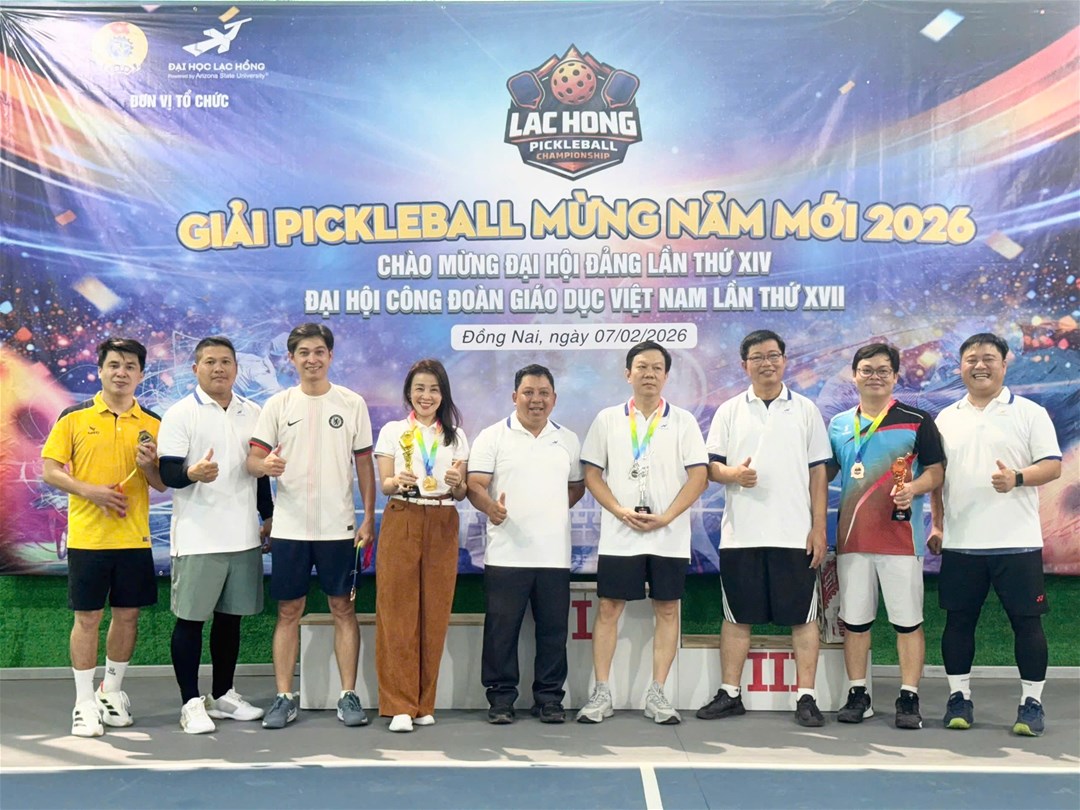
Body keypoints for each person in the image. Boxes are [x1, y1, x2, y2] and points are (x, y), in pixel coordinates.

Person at [697, 330, 831, 727]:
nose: (766, 363)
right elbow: (711, 467)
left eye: (773, 355)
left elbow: (818, 472)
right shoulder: (729, 410)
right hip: (741, 535)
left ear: (784, 361)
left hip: (794, 534)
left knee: (803, 618)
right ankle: (730, 693)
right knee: (737, 616)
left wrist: (818, 527)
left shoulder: (805, 409)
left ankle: (806, 697)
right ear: (745, 365)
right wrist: (734, 474)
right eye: (757, 357)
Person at [246, 323, 376, 729]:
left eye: (319, 351)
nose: (312, 359)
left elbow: (364, 465)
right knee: (289, 611)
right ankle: (284, 697)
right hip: (290, 529)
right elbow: (253, 460)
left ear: (330, 356)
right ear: (291, 359)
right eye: (303, 352)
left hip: (339, 528)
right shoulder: (278, 405)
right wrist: (264, 465)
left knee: (343, 608)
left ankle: (348, 695)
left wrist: (368, 517)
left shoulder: (352, 403)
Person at [930, 333, 1061, 736]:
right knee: (958, 623)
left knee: (1027, 624)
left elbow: (1052, 465)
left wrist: (1017, 477)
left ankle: (1031, 703)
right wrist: (938, 524)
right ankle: (959, 698)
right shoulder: (945, 417)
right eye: (971, 359)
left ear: (1005, 364)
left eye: (988, 358)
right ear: (960, 367)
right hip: (961, 543)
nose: (979, 365)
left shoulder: (1030, 413)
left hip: (1017, 542)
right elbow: (937, 477)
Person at [576, 341, 708, 725]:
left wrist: (668, 516)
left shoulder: (683, 421)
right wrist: (618, 510)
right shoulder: (607, 419)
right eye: (641, 367)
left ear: (666, 376)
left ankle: (658, 693)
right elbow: (591, 474)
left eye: (656, 368)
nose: (649, 374)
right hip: (621, 534)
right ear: (627, 373)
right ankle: (602, 693)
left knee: (667, 609)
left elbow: (699, 476)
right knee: (609, 607)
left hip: (669, 534)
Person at [41, 337, 166, 737]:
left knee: (128, 616)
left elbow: (162, 483)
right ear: (100, 370)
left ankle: (110, 692)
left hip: (134, 539)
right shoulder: (74, 417)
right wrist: (89, 491)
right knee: (88, 618)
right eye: (114, 365)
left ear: (141, 375)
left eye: (130, 366)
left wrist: (150, 468)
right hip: (88, 539)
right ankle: (83, 702)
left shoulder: (153, 423)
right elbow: (50, 469)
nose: (121, 372)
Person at [157, 336, 273, 734]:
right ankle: (190, 702)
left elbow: (258, 473)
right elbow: (168, 472)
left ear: (237, 368)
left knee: (230, 621)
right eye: (210, 361)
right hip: (197, 538)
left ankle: (222, 694)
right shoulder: (180, 414)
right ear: (195, 369)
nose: (218, 368)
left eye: (226, 361)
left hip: (243, 536)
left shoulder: (253, 412)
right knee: (190, 622)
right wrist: (192, 473)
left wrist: (268, 515)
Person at [827, 343, 944, 729]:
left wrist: (914, 487)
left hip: (901, 539)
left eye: (882, 370)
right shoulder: (839, 425)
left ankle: (908, 698)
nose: (874, 376)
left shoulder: (917, 420)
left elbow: (936, 471)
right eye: (866, 369)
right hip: (853, 540)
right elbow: (823, 474)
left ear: (895, 376)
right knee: (855, 623)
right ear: (854, 375)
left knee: (907, 623)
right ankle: (858, 694)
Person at [468, 364, 585, 725]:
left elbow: (577, 486)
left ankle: (549, 699)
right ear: (514, 396)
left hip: (554, 555)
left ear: (554, 399)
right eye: (529, 392)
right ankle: (501, 699)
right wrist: (491, 508)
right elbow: (474, 484)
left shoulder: (568, 439)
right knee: (501, 632)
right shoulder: (492, 436)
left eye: (543, 393)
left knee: (553, 632)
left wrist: (550, 510)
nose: (536, 400)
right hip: (506, 554)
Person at [373, 359, 469, 733]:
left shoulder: (456, 437)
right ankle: (399, 704)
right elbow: (384, 484)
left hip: (443, 518)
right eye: (419, 389)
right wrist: (396, 480)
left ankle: (424, 703)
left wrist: (458, 484)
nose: (426, 396)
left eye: (433, 389)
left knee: (435, 612)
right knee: (397, 610)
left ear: (443, 394)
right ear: (409, 393)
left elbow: (460, 492)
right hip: (404, 514)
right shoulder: (393, 431)